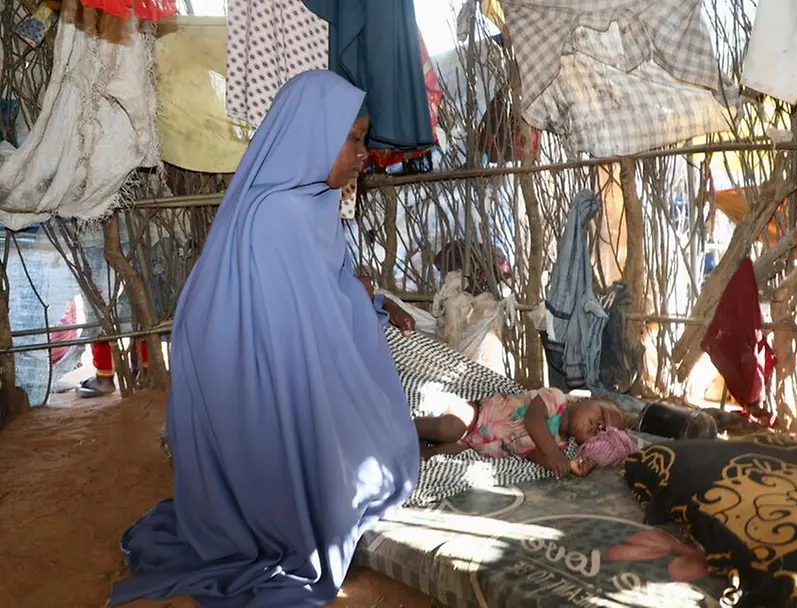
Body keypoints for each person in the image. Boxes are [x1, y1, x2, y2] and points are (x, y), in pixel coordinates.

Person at [109, 71, 420, 607]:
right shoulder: (273, 217)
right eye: (354, 139)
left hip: (284, 363)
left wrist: (372, 301)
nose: (364, 153)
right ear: (312, 135)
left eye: (364, 139)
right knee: (362, 473)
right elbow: (292, 335)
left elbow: (329, 293)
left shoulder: (311, 205)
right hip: (250, 379)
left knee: (383, 454)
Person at [414, 388, 627, 479]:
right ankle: (406, 428)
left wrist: (568, 465)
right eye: (602, 414)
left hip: (477, 445)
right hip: (477, 416)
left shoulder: (560, 445)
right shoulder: (557, 399)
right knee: (449, 429)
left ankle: (409, 451)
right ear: (584, 400)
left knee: (440, 455)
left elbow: (531, 453)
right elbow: (533, 419)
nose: (598, 426)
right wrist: (553, 453)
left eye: (602, 432)